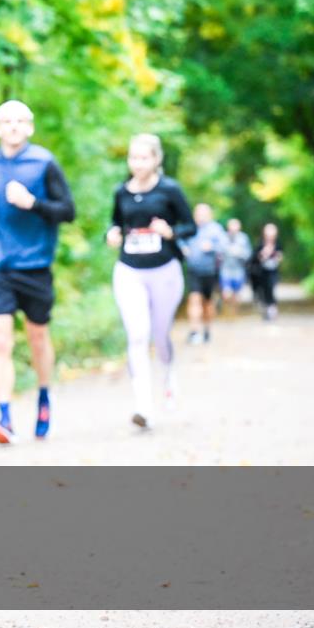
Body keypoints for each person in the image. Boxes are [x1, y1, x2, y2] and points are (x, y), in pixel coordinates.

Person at [0, 100, 75, 444]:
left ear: (30, 127)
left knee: (37, 336)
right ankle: (5, 418)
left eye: (19, 121)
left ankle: (43, 396)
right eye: (6, 121)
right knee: (0, 338)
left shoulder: (44, 162)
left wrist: (33, 204)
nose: (12, 126)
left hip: (35, 264)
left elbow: (68, 211)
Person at [106, 134, 195, 429]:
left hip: (165, 270)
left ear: (156, 160)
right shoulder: (122, 191)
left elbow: (190, 226)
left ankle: (169, 375)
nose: (138, 163)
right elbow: (116, 222)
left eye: (144, 158)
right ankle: (142, 405)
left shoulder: (170, 189)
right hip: (129, 270)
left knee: (160, 334)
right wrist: (113, 233)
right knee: (137, 335)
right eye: (133, 158)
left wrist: (170, 232)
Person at [180, 203, 225, 344]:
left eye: (204, 214)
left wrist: (212, 247)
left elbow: (224, 246)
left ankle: (207, 329)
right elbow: (178, 239)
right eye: (198, 213)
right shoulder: (189, 228)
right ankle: (194, 331)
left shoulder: (216, 229)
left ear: (209, 215)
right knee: (194, 299)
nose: (200, 217)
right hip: (194, 270)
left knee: (207, 303)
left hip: (210, 271)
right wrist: (183, 248)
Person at [219, 218, 252, 316]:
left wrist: (240, 253)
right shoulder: (223, 237)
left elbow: (248, 254)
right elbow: (218, 252)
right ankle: (226, 310)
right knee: (226, 293)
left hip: (239, 270)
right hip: (225, 269)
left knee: (237, 295)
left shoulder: (243, 238)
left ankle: (234, 313)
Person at [253, 222, 283, 320]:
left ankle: (272, 308)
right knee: (263, 291)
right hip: (261, 272)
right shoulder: (260, 243)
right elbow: (255, 258)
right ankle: (266, 309)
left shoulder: (278, 243)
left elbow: (280, 255)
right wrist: (263, 254)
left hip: (273, 271)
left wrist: (277, 257)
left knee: (271, 288)